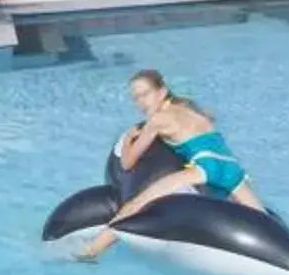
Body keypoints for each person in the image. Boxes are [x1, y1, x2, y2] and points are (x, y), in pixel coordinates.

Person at [72, 70, 265, 261]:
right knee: (265, 223)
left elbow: (127, 163)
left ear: (162, 92)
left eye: (145, 95)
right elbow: (210, 118)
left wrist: (130, 137)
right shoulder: (188, 106)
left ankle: (90, 252)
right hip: (232, 169)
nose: (141, 103)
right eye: (136, 98)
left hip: (205, 167)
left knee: (135, 205)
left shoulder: (157, 121)